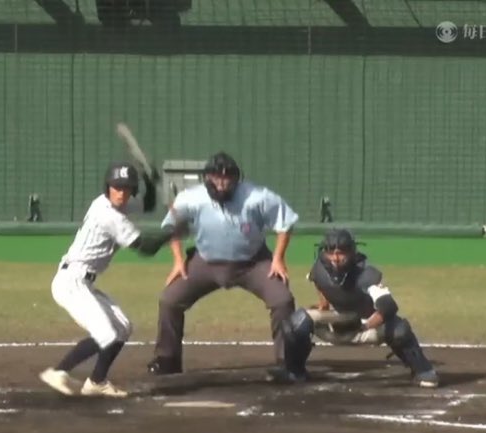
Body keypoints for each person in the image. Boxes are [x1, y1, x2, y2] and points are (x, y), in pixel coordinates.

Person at [147, 152, 298, 377]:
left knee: (282, 300)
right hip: (205, 261)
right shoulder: (191, 198)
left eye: (228, 178)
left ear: (237, 179)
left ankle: (288, 362)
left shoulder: (257, 197)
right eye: (216, 177)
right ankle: (167, 359)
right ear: (207, 177)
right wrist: (179, 261)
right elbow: (172, 228)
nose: (222, 182)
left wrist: (278, 258)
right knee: (169, 300)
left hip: (253, 262)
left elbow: (285, 223)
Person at [39, 162, 171, 398]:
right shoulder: (107, 214)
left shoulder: (110, 204)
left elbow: (147, 204)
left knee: (122, 327)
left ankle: (96, 381)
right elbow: (145, 248)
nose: (121, 193)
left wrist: (150, 183)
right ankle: (58, 371)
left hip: (83, 282)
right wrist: (173, 231)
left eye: (127, 188)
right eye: (116, 187)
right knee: (106, 333)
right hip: (70, 282)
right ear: (107, 188)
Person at [273, 228, 440, 387]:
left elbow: (388, 307)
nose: (335, 258)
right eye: (331, 252)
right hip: (338, 321)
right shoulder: (319, 268)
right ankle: (294, 372)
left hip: (367, 326)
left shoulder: (365, 273)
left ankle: (423, 371)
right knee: (296, 322)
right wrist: (324, 305)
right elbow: (319, 282)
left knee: (399, 330)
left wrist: (363, 326)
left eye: (341, 253)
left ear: (351, 252)